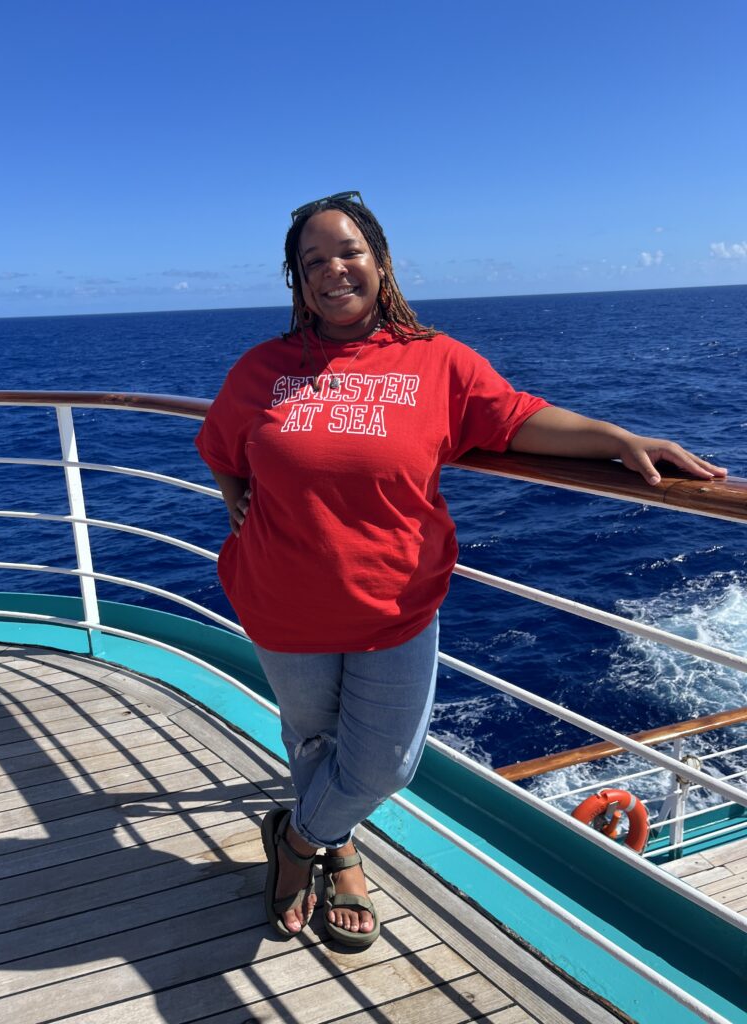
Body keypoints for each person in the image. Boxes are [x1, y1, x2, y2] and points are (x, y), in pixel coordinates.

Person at [195, 191, 726, 948]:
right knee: (313, 745)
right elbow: (220, 447)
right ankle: (340, 854)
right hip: (282, 601)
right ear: (298, 282)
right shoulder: (264, 369)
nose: (332, 270)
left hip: (396, 603)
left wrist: (617, 438)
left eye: (347, 251)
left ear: (380, 261)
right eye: (312, 262)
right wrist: (234, 497)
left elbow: (517, 418)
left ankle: (297, 840)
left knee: (385, 765)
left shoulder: (435, 359)